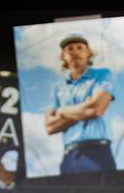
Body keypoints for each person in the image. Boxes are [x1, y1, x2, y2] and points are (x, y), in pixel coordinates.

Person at [45, 34, 118, 174]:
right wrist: (84, 108)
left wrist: (62, 111)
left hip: (97, 152)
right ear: (63, 56)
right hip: (68, 157)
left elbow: (96, 109)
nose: (75, 52)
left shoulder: (103, 74)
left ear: (88, 53)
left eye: (80, 48)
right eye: (70, 49)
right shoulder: (58, 87)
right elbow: (50, 126)